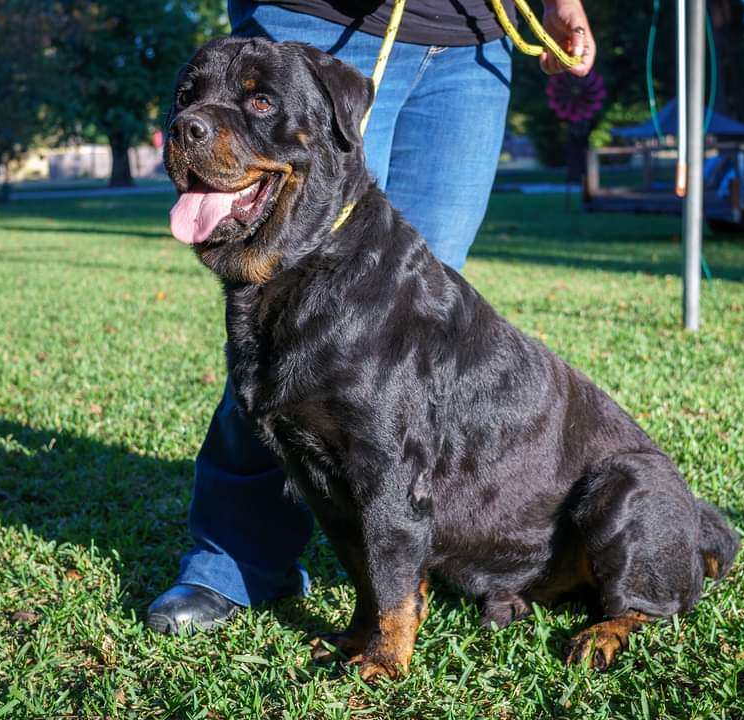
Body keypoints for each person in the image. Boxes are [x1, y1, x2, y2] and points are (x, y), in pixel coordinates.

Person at [147, 0, 596, 634]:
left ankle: (404, 559)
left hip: (472, 44)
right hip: (317, 18)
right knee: (280, 338)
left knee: (416, 339)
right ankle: (235, 564)